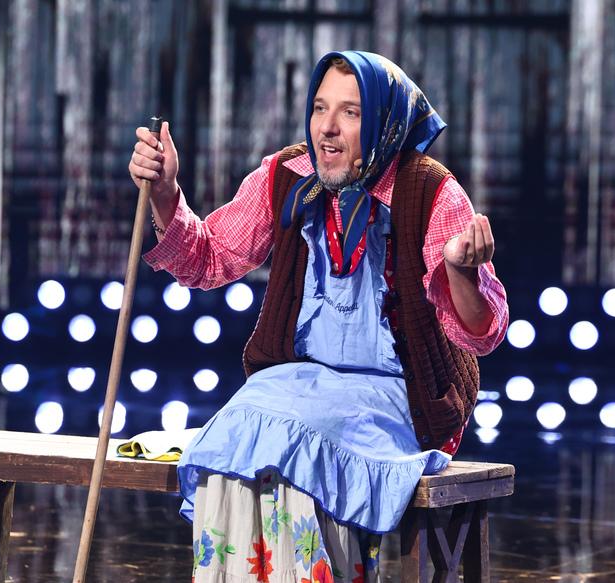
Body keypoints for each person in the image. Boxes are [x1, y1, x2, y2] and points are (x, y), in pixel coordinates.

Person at [129, 50, 508, 582]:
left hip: (400, 394)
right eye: (320, 108)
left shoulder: (429, 192)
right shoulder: (287, 176)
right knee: (232, 437)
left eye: (350, 113)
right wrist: (167, 193)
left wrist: (461, 273)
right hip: (296, 384)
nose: (327, 128)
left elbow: (481, 334)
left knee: (297, 450)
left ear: (384, 122)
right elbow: (208, 258)